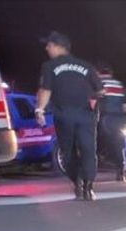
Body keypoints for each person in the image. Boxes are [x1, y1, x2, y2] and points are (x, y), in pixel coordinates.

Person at [35, 31, 102, 201]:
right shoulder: (86, 66)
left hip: (63, 115)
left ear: (59, 47)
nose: (47, 48)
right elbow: (100, 90)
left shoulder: (49, 66)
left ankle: (77, 182)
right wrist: (93, 102)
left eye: (49, 45)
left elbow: (46, 90)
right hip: (85, 115)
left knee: (68, 152)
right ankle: (88, 186)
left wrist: (39, 110)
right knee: (88, 150)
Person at [96, 64, 126, 181]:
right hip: (119, 118)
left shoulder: (99, 83)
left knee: (99, 141)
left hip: (105, 118)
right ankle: (120, 170)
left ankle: (101, 161)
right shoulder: (119, 84)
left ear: (99, 73)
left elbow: (93, 99)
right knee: (118, 143)